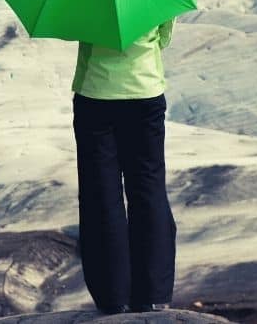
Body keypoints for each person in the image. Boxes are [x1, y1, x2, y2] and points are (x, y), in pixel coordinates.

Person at [71, 17, 177, 315]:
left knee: (101, 195)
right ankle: (154, 294)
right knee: (149, 189)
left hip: (96, 95)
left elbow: (79, 30)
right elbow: (164, 39)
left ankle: (113, 297)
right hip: (146, 92)